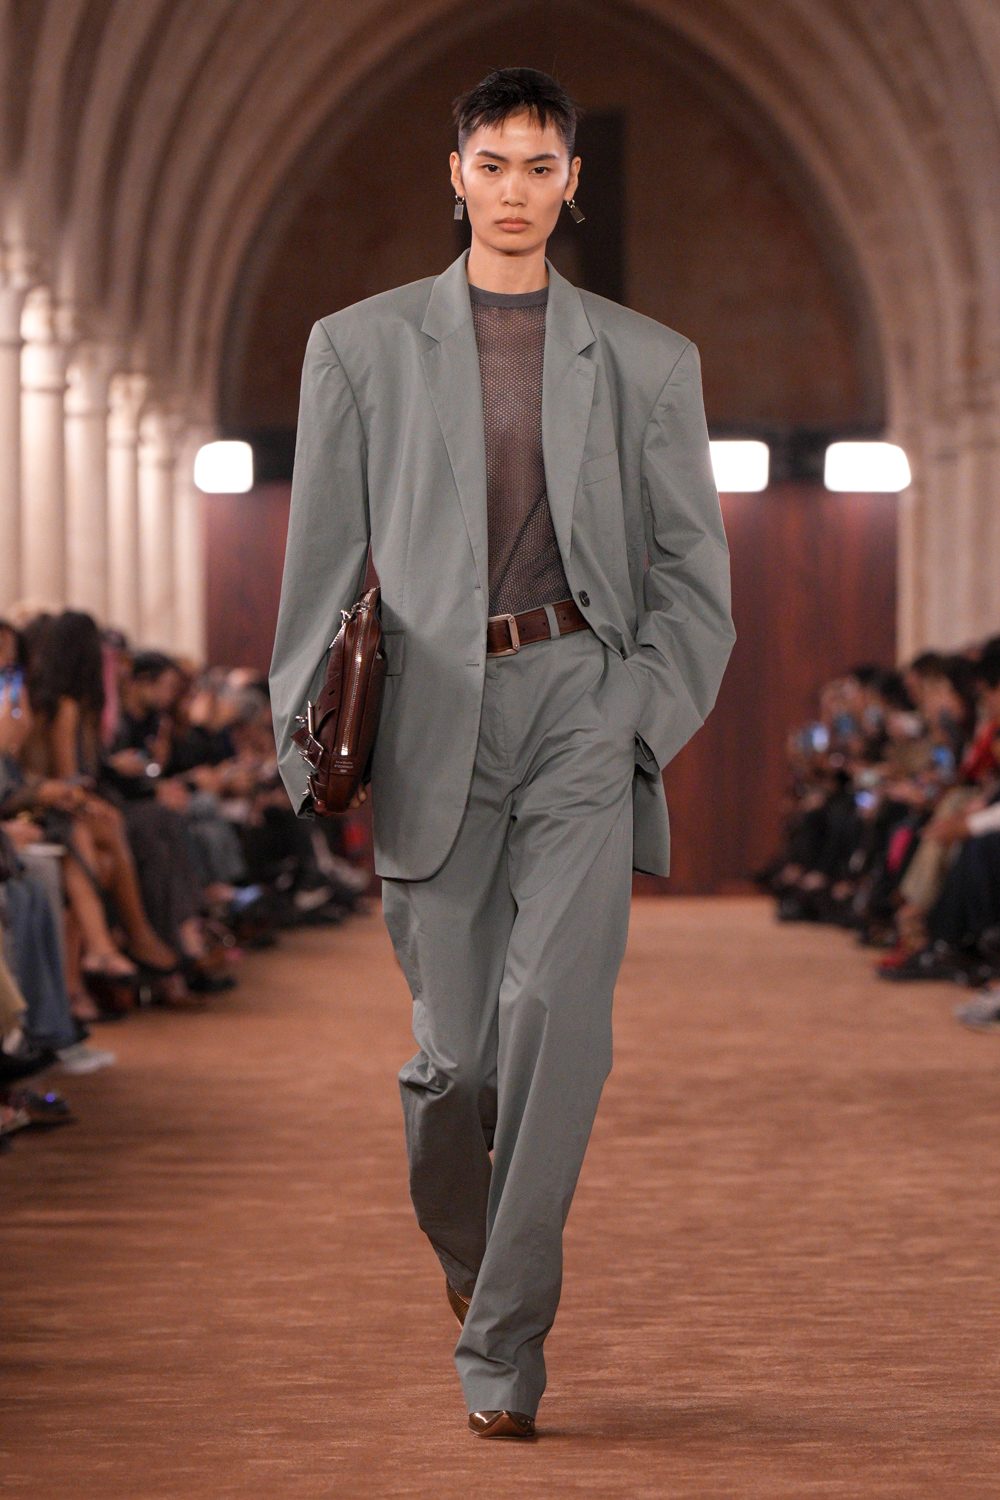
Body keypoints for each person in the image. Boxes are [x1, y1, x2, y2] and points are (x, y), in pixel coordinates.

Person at [270, 66, 736, 1438]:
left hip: (583, 702)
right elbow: (318, 568)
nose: (516, 189)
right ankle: (483, 1270)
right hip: (429, 716)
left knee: (557, 1027)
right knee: (454, 1065)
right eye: (493, 164)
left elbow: (694, 578)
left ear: (572, 182)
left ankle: (505, 1349)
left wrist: (638, 714)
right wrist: (307, 749)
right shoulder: (357, 347)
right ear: (455, 174)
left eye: (541, 166)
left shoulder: (650, 362)